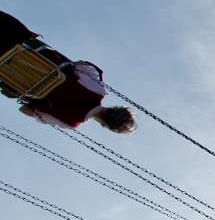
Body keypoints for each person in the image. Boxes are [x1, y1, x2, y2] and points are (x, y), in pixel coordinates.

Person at [0, 12, 137, 134]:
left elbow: (80, 65)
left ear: (116, 108)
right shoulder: (70, 122)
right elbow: (25, 110)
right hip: (7, 74)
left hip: (20, 43)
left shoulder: (97, 90)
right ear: (105, 125)